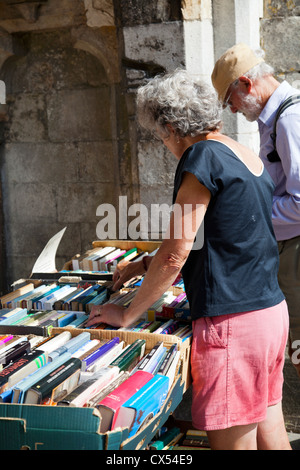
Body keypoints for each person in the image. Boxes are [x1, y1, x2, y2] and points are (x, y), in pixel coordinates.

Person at [87, 69, 291, 450]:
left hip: (233, 323)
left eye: (159, 134)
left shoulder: (201, 155)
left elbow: (178, 250)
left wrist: (128, 314)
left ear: (170, 126)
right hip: (268, 313)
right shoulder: (238, 150)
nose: (163, 142)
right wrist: (141, 265)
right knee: (270, 432)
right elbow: (221, 237)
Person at [212, 43, 300, 377]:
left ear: (247, 85)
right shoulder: (276, 116)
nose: (232, 111)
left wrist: (250, 214)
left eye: (229, 100)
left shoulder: (290, 119)